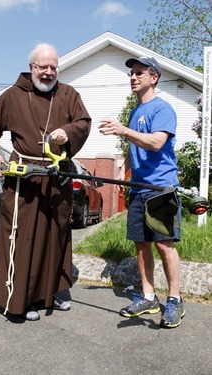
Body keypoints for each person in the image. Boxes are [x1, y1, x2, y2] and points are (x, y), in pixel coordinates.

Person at [0, 43, 91, 321]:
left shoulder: (68, 94)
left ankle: (51, 294)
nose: (49, 72)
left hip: (56, 174)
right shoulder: (13, 96)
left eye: (53, 67)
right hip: (23, 178)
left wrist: (68, 130)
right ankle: (19, 300)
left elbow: (84, 122)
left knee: (56, 234)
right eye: (43, 67)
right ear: (32, 67)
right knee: (22, 236)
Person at [98, 56, 185, 328]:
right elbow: (134, 145)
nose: (133, 77)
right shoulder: (136, 112)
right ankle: (148, 296)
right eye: (131, 74)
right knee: (140, 243)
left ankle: (174, 300)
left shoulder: (163, 109)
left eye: (139, 73)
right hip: (138, 188)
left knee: (164, 244)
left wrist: (123, 130)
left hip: (160, 188)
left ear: (153, 77)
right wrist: (123, 165)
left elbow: (157, 143)